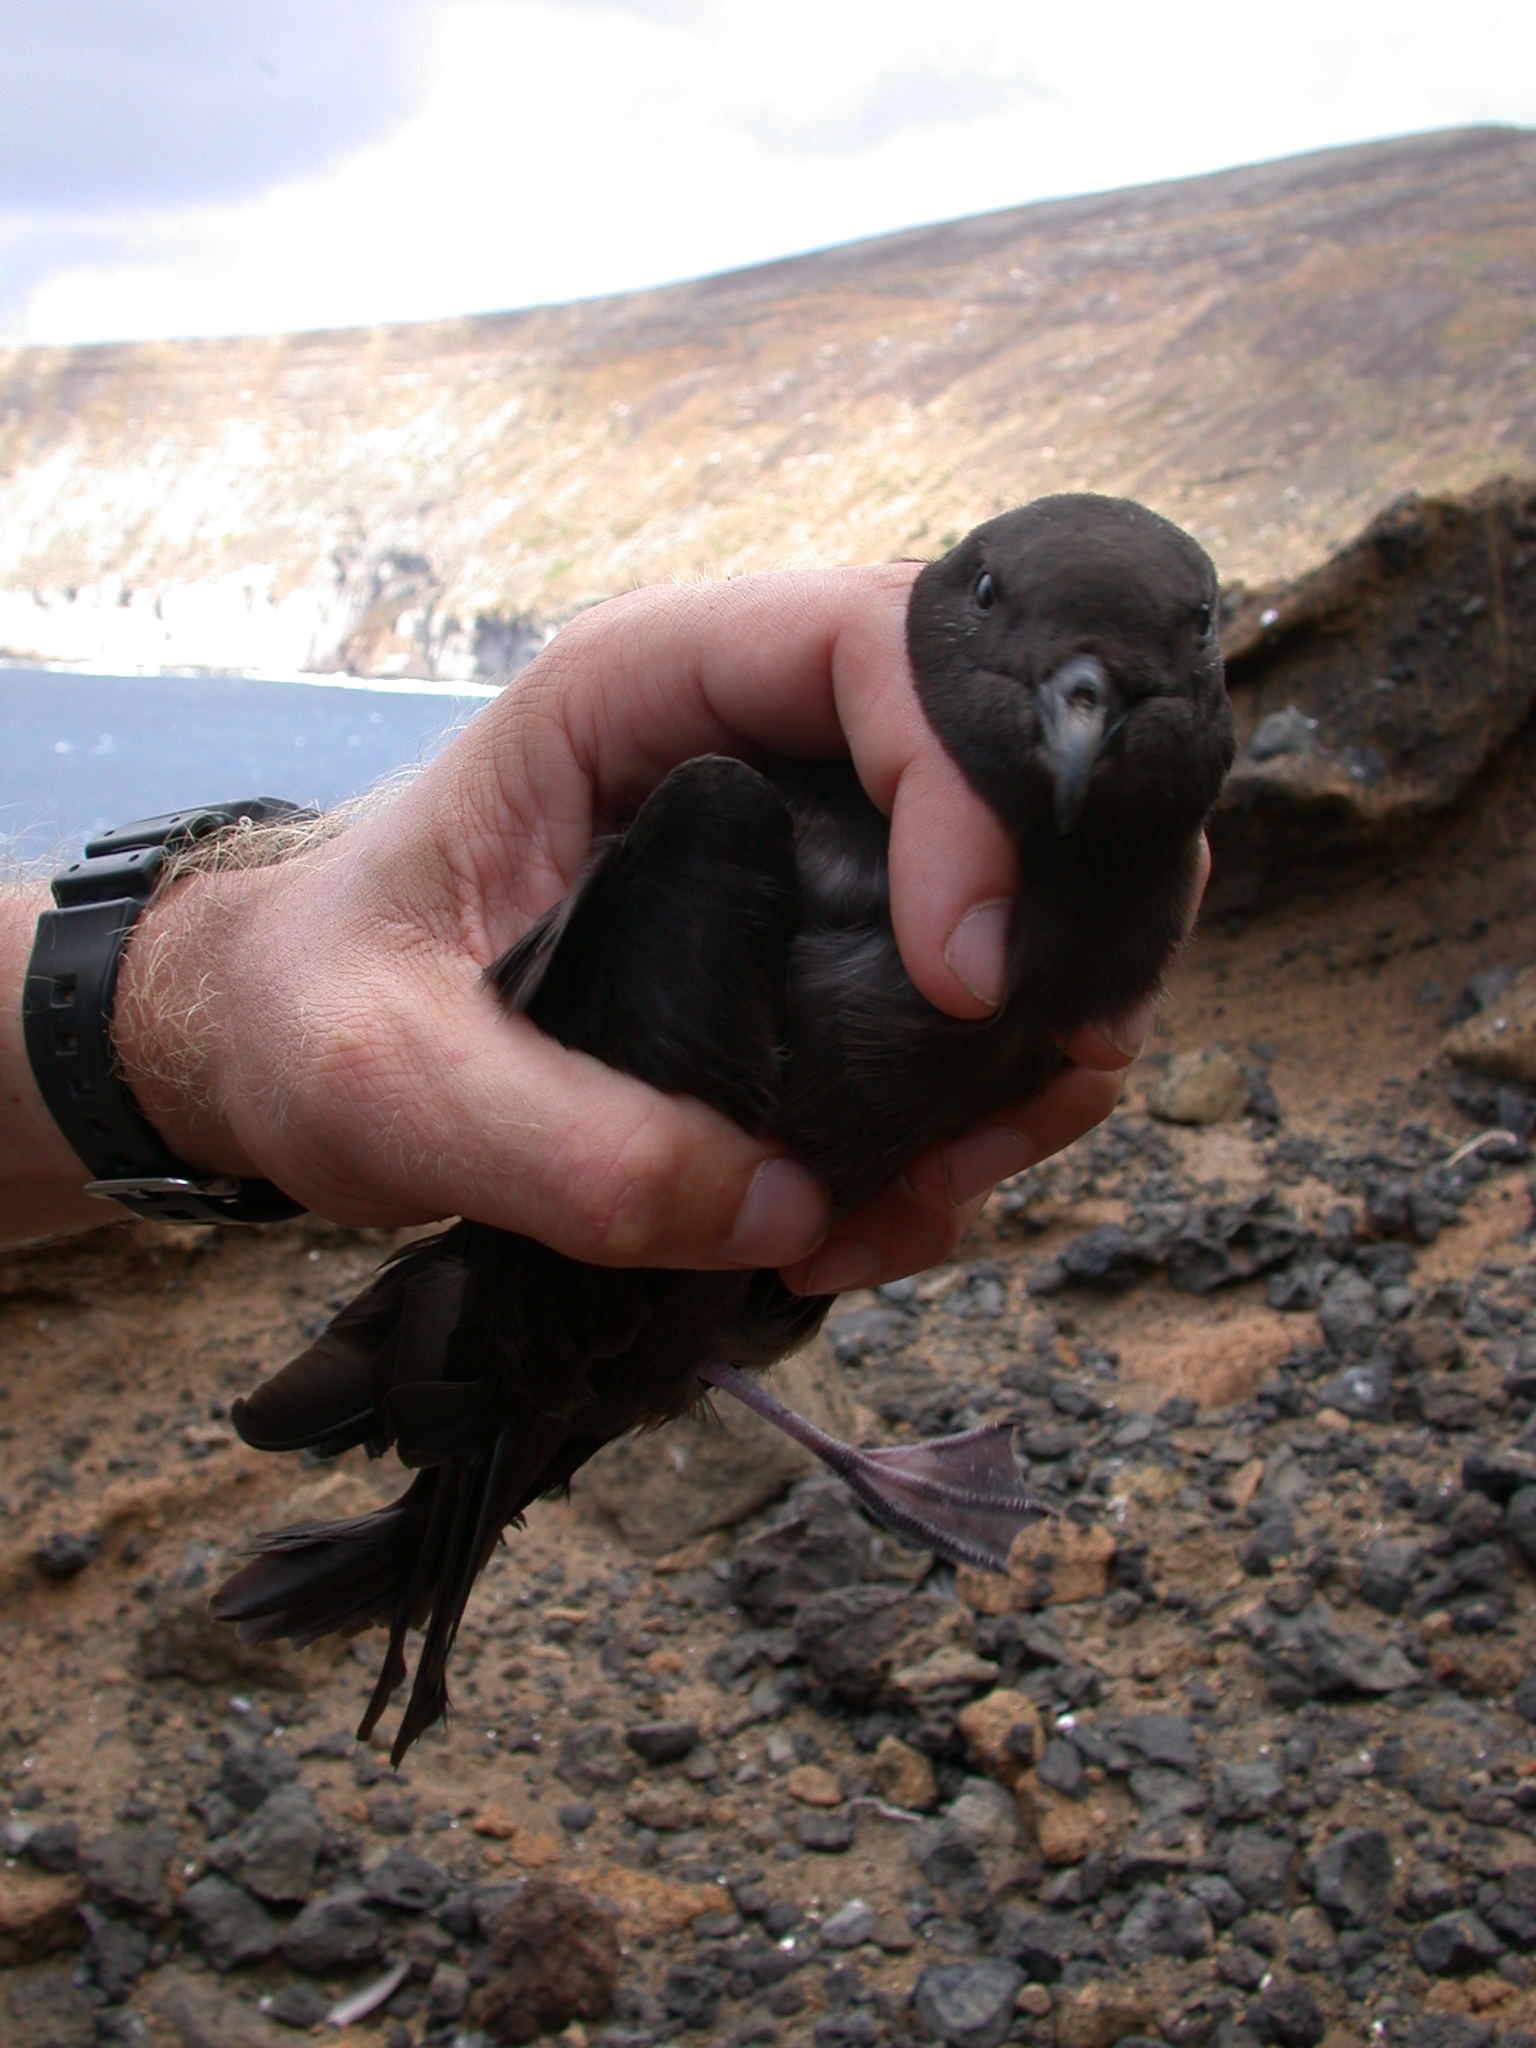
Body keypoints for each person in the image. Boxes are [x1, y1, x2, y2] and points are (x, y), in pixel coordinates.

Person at [1, 564, 1194, 1268]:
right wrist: (243, 989)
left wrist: (183, 1010)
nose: (1082, 701)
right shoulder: (770, 824)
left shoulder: (1077, 884)